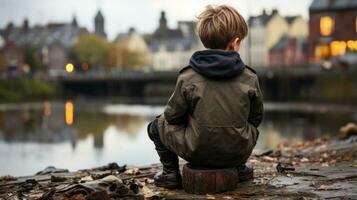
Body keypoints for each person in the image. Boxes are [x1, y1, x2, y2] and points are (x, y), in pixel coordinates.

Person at [147, 4, 264, 189]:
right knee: (243, 126)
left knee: (155, 125)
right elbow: (255, 118)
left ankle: (170, 173)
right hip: (237, 151)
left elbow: (171, 117)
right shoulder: (250, 78)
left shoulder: (188, 77)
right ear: (234, 43)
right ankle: (239, 167)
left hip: (196, 152)